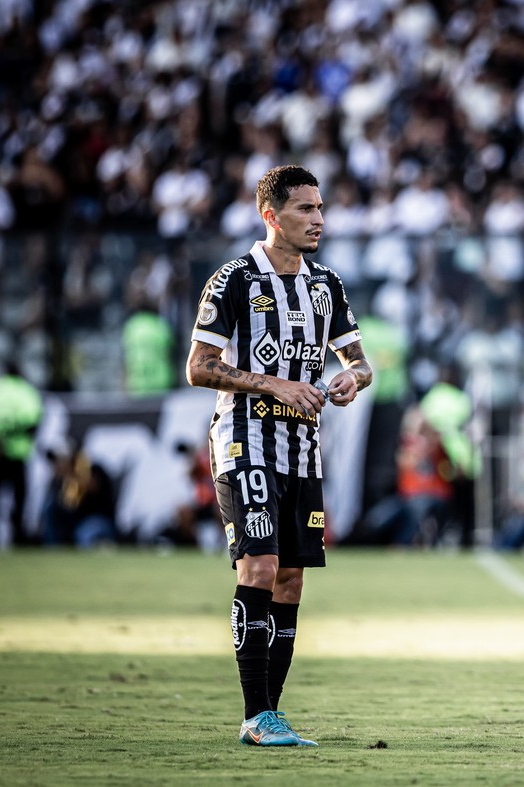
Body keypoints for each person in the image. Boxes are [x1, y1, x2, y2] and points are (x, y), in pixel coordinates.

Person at [186, 164, 373, 747]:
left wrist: (353, 381)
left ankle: (271, 714)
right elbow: (198, 368)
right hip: (245, 438)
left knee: (290, 579)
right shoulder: (234, 280)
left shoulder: (326, 283)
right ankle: (254, 714)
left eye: (320, 209)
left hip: (302, 446)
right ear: (271, 216)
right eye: (305, 210)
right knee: (259, 568)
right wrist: (274, 384)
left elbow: (360, 362)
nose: (318, 220)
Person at [0, 360, 44, 546]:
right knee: (19, 501)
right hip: (18, 456)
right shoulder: (26, 392)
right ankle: (18, 540)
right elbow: (33, 424)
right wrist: (14, 436)